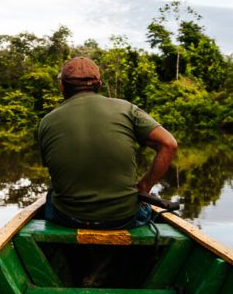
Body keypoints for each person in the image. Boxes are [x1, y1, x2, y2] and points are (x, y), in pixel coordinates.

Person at [38, 56, 178, 229]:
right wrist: (144, 186)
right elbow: (169, 144)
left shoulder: (47, 120)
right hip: (124, 217)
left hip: (69, 217)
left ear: (62, 87)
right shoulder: (127, 109)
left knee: (51, 196)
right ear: (100, 85)